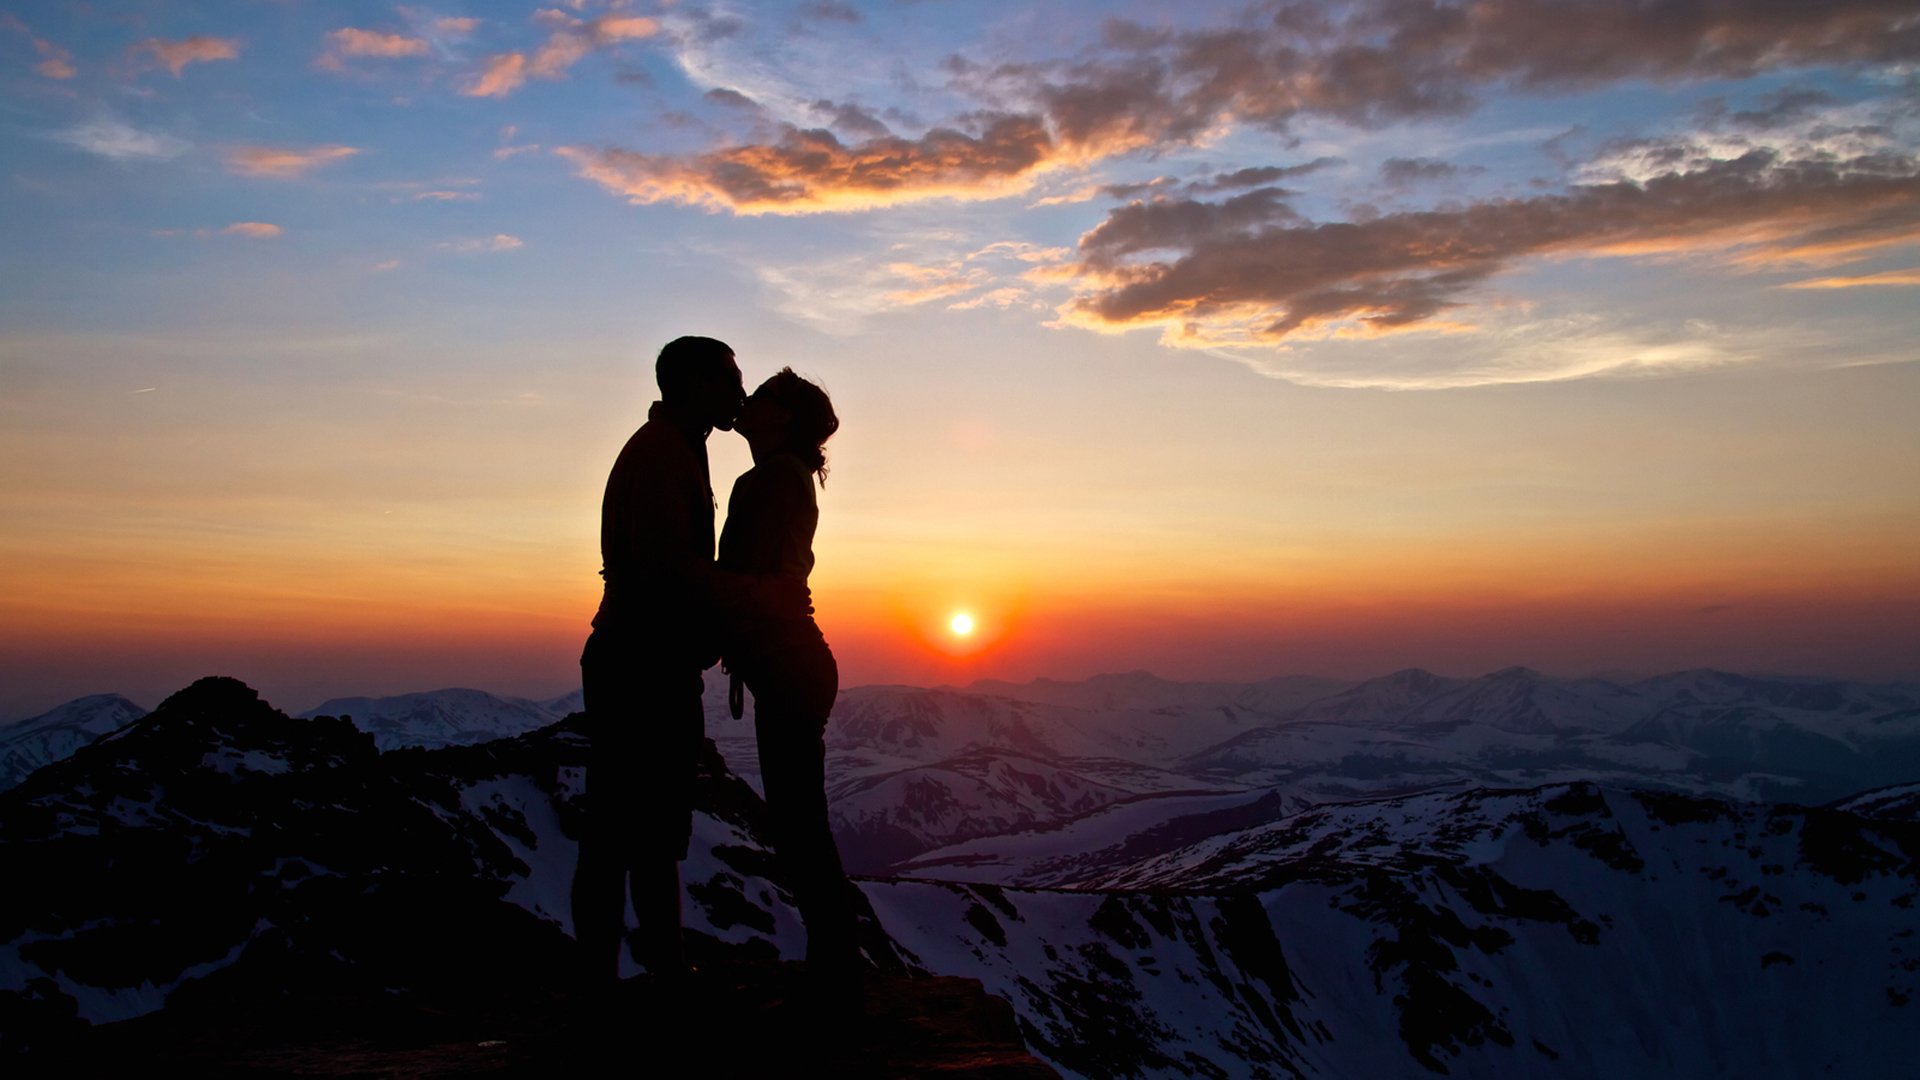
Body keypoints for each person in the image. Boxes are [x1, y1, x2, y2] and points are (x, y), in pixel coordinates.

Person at [572, 335, 743, 986]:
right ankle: (628, 979)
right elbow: (665, 568)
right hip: (642, 663)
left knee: (635, 830)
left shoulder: (675, 449)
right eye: (728, 378)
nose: (738, 391)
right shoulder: (665, 456)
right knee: (626, 830)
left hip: (642, 657)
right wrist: (737, 600)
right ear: (695, 383)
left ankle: (640, 973)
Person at [718, 368, 862, 990]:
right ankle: (834, 965)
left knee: (799, 826)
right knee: (800, 822)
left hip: (787, 663)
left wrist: (693, 587)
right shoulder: (783, 477)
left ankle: (836, 969)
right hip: (792, 664)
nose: (749, 400)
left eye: (764, 396)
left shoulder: (772, 479)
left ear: (783, 417)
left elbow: (766, 583)